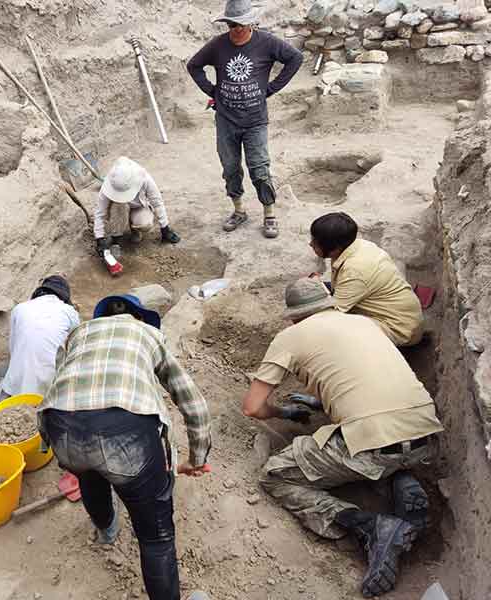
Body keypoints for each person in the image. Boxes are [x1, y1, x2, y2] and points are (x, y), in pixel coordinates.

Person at [241, 278, 443, 598]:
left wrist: (284, 413)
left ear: (293, 316)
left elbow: (252, 407)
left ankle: (367, 525)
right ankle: (394, 478)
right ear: (329, 301)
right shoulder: (363, 322)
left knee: (275, 475)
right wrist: (323, 402)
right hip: (425, 435)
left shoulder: (290, 336)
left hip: (372, 445)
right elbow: (367, 378)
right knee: (365, 446)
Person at [38, 294, 212, 600]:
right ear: (140, 318)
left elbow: (59, 382)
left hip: (61, 425)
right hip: (126, 432)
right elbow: (193, 404)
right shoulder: (149, 334)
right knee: (155, 538)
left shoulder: (80, 334)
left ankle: (106, 530)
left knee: (89, 472)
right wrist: (196, 459)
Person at [187, 0, 303, 239]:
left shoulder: (268, 42)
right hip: (226, 119)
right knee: (230, 167)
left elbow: (295, 58)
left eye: (241, 25)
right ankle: (239, 210)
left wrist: (271, 88)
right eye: (231, 25)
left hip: (255, 120)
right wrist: (212, 91)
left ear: (251, 23)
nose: (236, 30)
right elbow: (194, 65)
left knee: (259, 169)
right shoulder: (218, 46)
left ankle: (269, 214)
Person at [309, 212, 424, 346]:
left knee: (327, 329)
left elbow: (333, 314)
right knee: (314, 293)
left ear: (335, 248)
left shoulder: (355, 270)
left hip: (398, 329)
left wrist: (316, 286)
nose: (310, 244)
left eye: (316, 243)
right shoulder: (358, 245)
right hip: (400, 317)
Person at [0, 275, 80, 401]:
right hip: (49, 389)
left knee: (3, 372)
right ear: (63, 297)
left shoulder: (19, 308)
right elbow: (75, 345)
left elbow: (13, 348)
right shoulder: (69, 311)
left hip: (14, 386)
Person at [94, 157, 181, 259]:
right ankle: (116, 239)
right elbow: (100, 213)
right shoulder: (111, 182)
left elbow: (157, 202)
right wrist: (99, 239)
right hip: (119, 208)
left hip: (138, 208)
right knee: (119, 206)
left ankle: (135, 229)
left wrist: (165, 228)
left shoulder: (144, 178)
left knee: (145, 224)